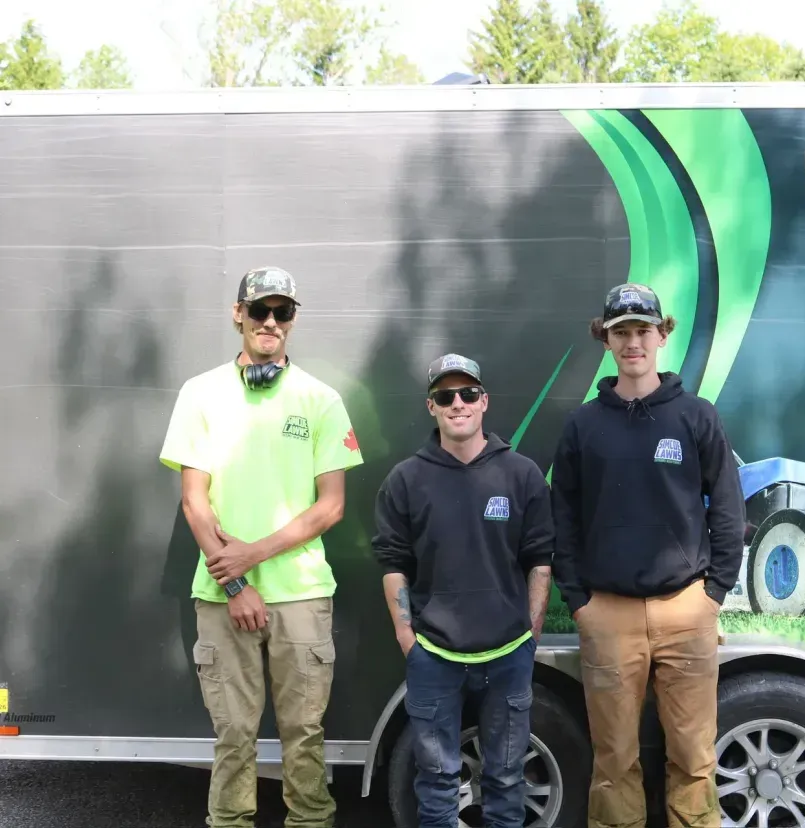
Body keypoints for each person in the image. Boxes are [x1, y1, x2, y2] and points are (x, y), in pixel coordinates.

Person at [159, 265, 364, 828]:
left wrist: (252, 555)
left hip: (300, 595)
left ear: (294, 321)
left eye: (283, 312)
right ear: (238, 315)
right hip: (224, 597)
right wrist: (235, 582)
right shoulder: (200, 394)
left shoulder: (321, 400)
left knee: (305, 736)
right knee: (234, 736)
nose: (270, 322)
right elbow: (194, 503)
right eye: (259, 311)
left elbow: (332, 507)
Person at [549, 283, 745, 828]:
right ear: (606, 340)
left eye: (642, 330)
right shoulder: (583, 425)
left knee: (694, 757)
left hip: (687, 608)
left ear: (662, 335)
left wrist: (713, 594)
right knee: (613, 760)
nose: (633, 342)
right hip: (607, 613)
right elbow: (560, 516)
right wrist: (579, 600)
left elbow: (727, 507)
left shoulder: (696, 416)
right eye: (621, 333)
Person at [371, 353, 555, 828]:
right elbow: (393, 565)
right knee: (435, 781)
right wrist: (407, 639)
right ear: (431, 407)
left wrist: (531, 631)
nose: (458, 403)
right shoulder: (406, 481)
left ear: (484, 401)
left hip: (509, 651)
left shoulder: (521, 474)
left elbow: (539, 559)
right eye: (445, 396)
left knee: (507, 778)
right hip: (433, 654)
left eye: (468, 393)